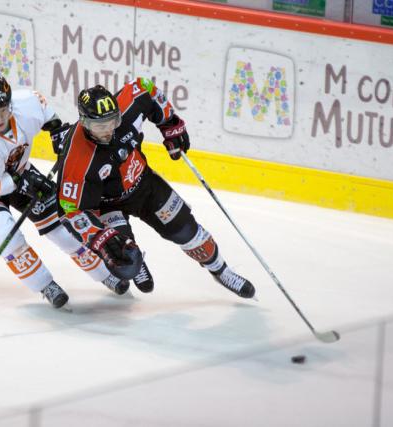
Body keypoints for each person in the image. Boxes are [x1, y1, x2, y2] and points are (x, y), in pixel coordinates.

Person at [54, 78, 255, 299]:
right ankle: (137, 257)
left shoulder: (127, 107)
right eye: (100, 126)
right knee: (123, 254)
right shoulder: (76, 159)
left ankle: (221, 270)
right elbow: (70, 209)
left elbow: (145, 87)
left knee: (187, 232)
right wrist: (99, 237)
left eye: (112, 122)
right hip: (107, 205)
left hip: (144, 185)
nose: (108, 131)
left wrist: (169, 122)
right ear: (84, 122)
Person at [0, 74, 129, 309]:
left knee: (64, 227)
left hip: (19, 171)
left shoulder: (27, 104)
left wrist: (57, 133)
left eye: (3, 109)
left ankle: (105, 273)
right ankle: (45, 285)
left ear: (10, 102)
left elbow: (47, 114)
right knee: (5, 233)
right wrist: (24, 182)